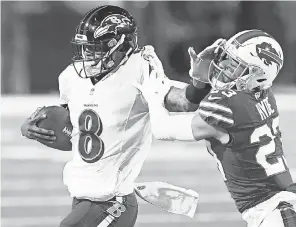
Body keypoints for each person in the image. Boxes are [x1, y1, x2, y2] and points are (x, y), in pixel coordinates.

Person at [20, 5, 209, 227]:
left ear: (120, 46)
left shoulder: (139, 70)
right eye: (86, 48)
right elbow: (77, 132)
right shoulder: (71, 77)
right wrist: (31, 129)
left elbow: (183, 101)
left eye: (96, 48)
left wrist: (199, 84)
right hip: (82, 199)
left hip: (113, 201)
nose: (88, 55)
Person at [135, 29, 296, 227]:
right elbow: (197, 101)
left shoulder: (227, 106)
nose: (224, 67)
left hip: (275, 212)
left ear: (258, 75)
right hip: (280, 204)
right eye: (226, 59)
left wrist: (152, 96)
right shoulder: (261, 94)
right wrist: (200, 81)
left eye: (235, 66)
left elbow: (163, 129)